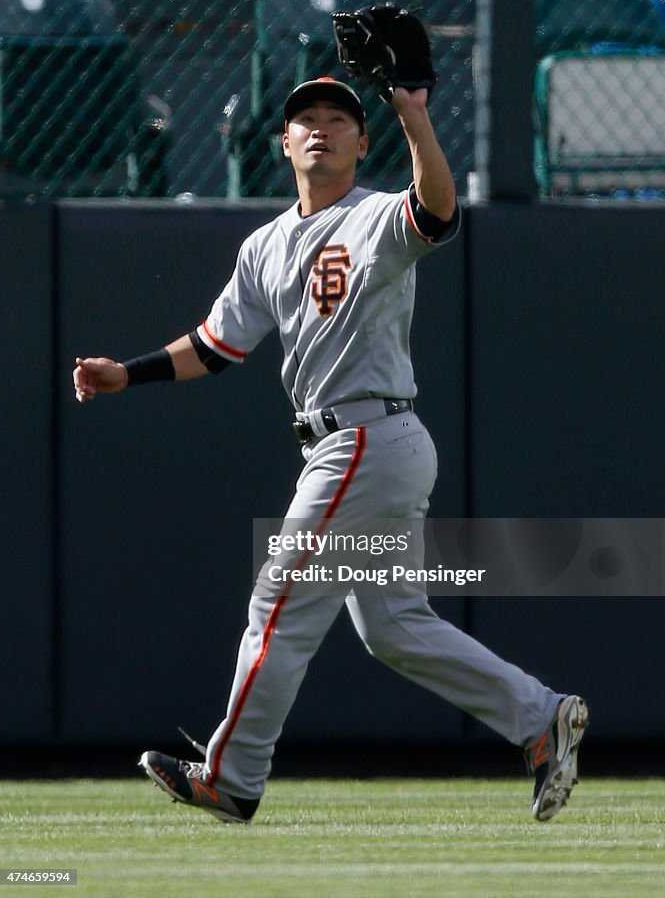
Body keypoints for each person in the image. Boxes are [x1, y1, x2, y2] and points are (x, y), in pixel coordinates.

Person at [72, 76, 588, 824]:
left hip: (364, 439)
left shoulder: (374, 216)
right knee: (392, 627)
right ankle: (541, 717)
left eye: (338, 119)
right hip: (359, 446)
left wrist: (413, 115)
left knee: (274, 605)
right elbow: (218, 347)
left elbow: (436, 209)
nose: (320, 128)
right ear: (282, 143)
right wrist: (129, 372)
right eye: (304, 119)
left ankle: (232, 776)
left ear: (361, 141)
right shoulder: (266, 244)